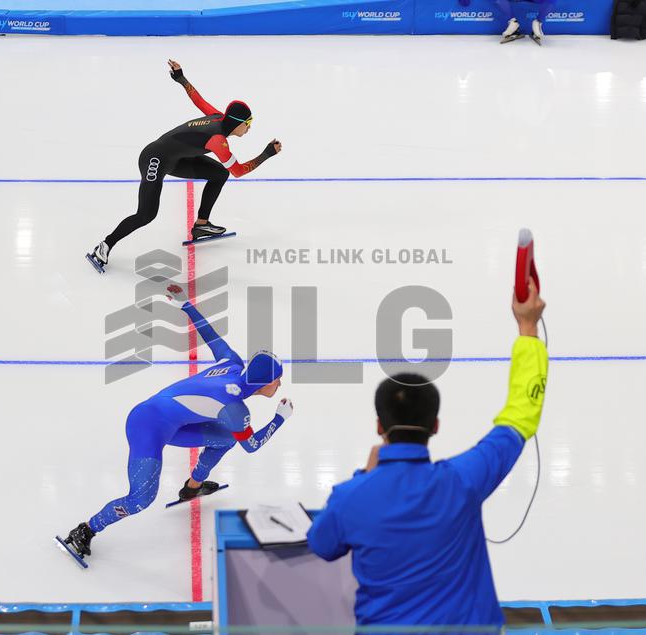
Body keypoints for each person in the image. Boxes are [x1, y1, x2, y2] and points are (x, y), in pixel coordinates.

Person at [306, 280, 548, 632]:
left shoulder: (349, 498)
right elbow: (520, 416)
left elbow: (321, 544)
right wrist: (527, 328)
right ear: (435, 424)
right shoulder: (463, 480)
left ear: (379, 425)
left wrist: (363, 477)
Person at [58, 283, 294, 562]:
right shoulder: (235, 409)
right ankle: (85, 530)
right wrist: (279, 419)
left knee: (227, 437)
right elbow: (252, 446)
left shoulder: (232, 363)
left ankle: (192, 487)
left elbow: (209, 333)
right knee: (140, 499)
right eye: (277, 379)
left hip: (176, 425)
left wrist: (185, 303)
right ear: (264, 383)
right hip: (146, 427)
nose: (280, 384)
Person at [86, 59, 283, 272]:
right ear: (237, 123)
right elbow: (238, 171)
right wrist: (266, 154)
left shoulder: (218, 117)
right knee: (146, 214)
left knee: (218, 173)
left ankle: (201, 225)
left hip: (177, 159)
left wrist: (181, 78)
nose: (249, 129)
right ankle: (104, 245)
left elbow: (197, 99)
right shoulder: (218, 140)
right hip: (154, 158)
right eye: (249, 124)